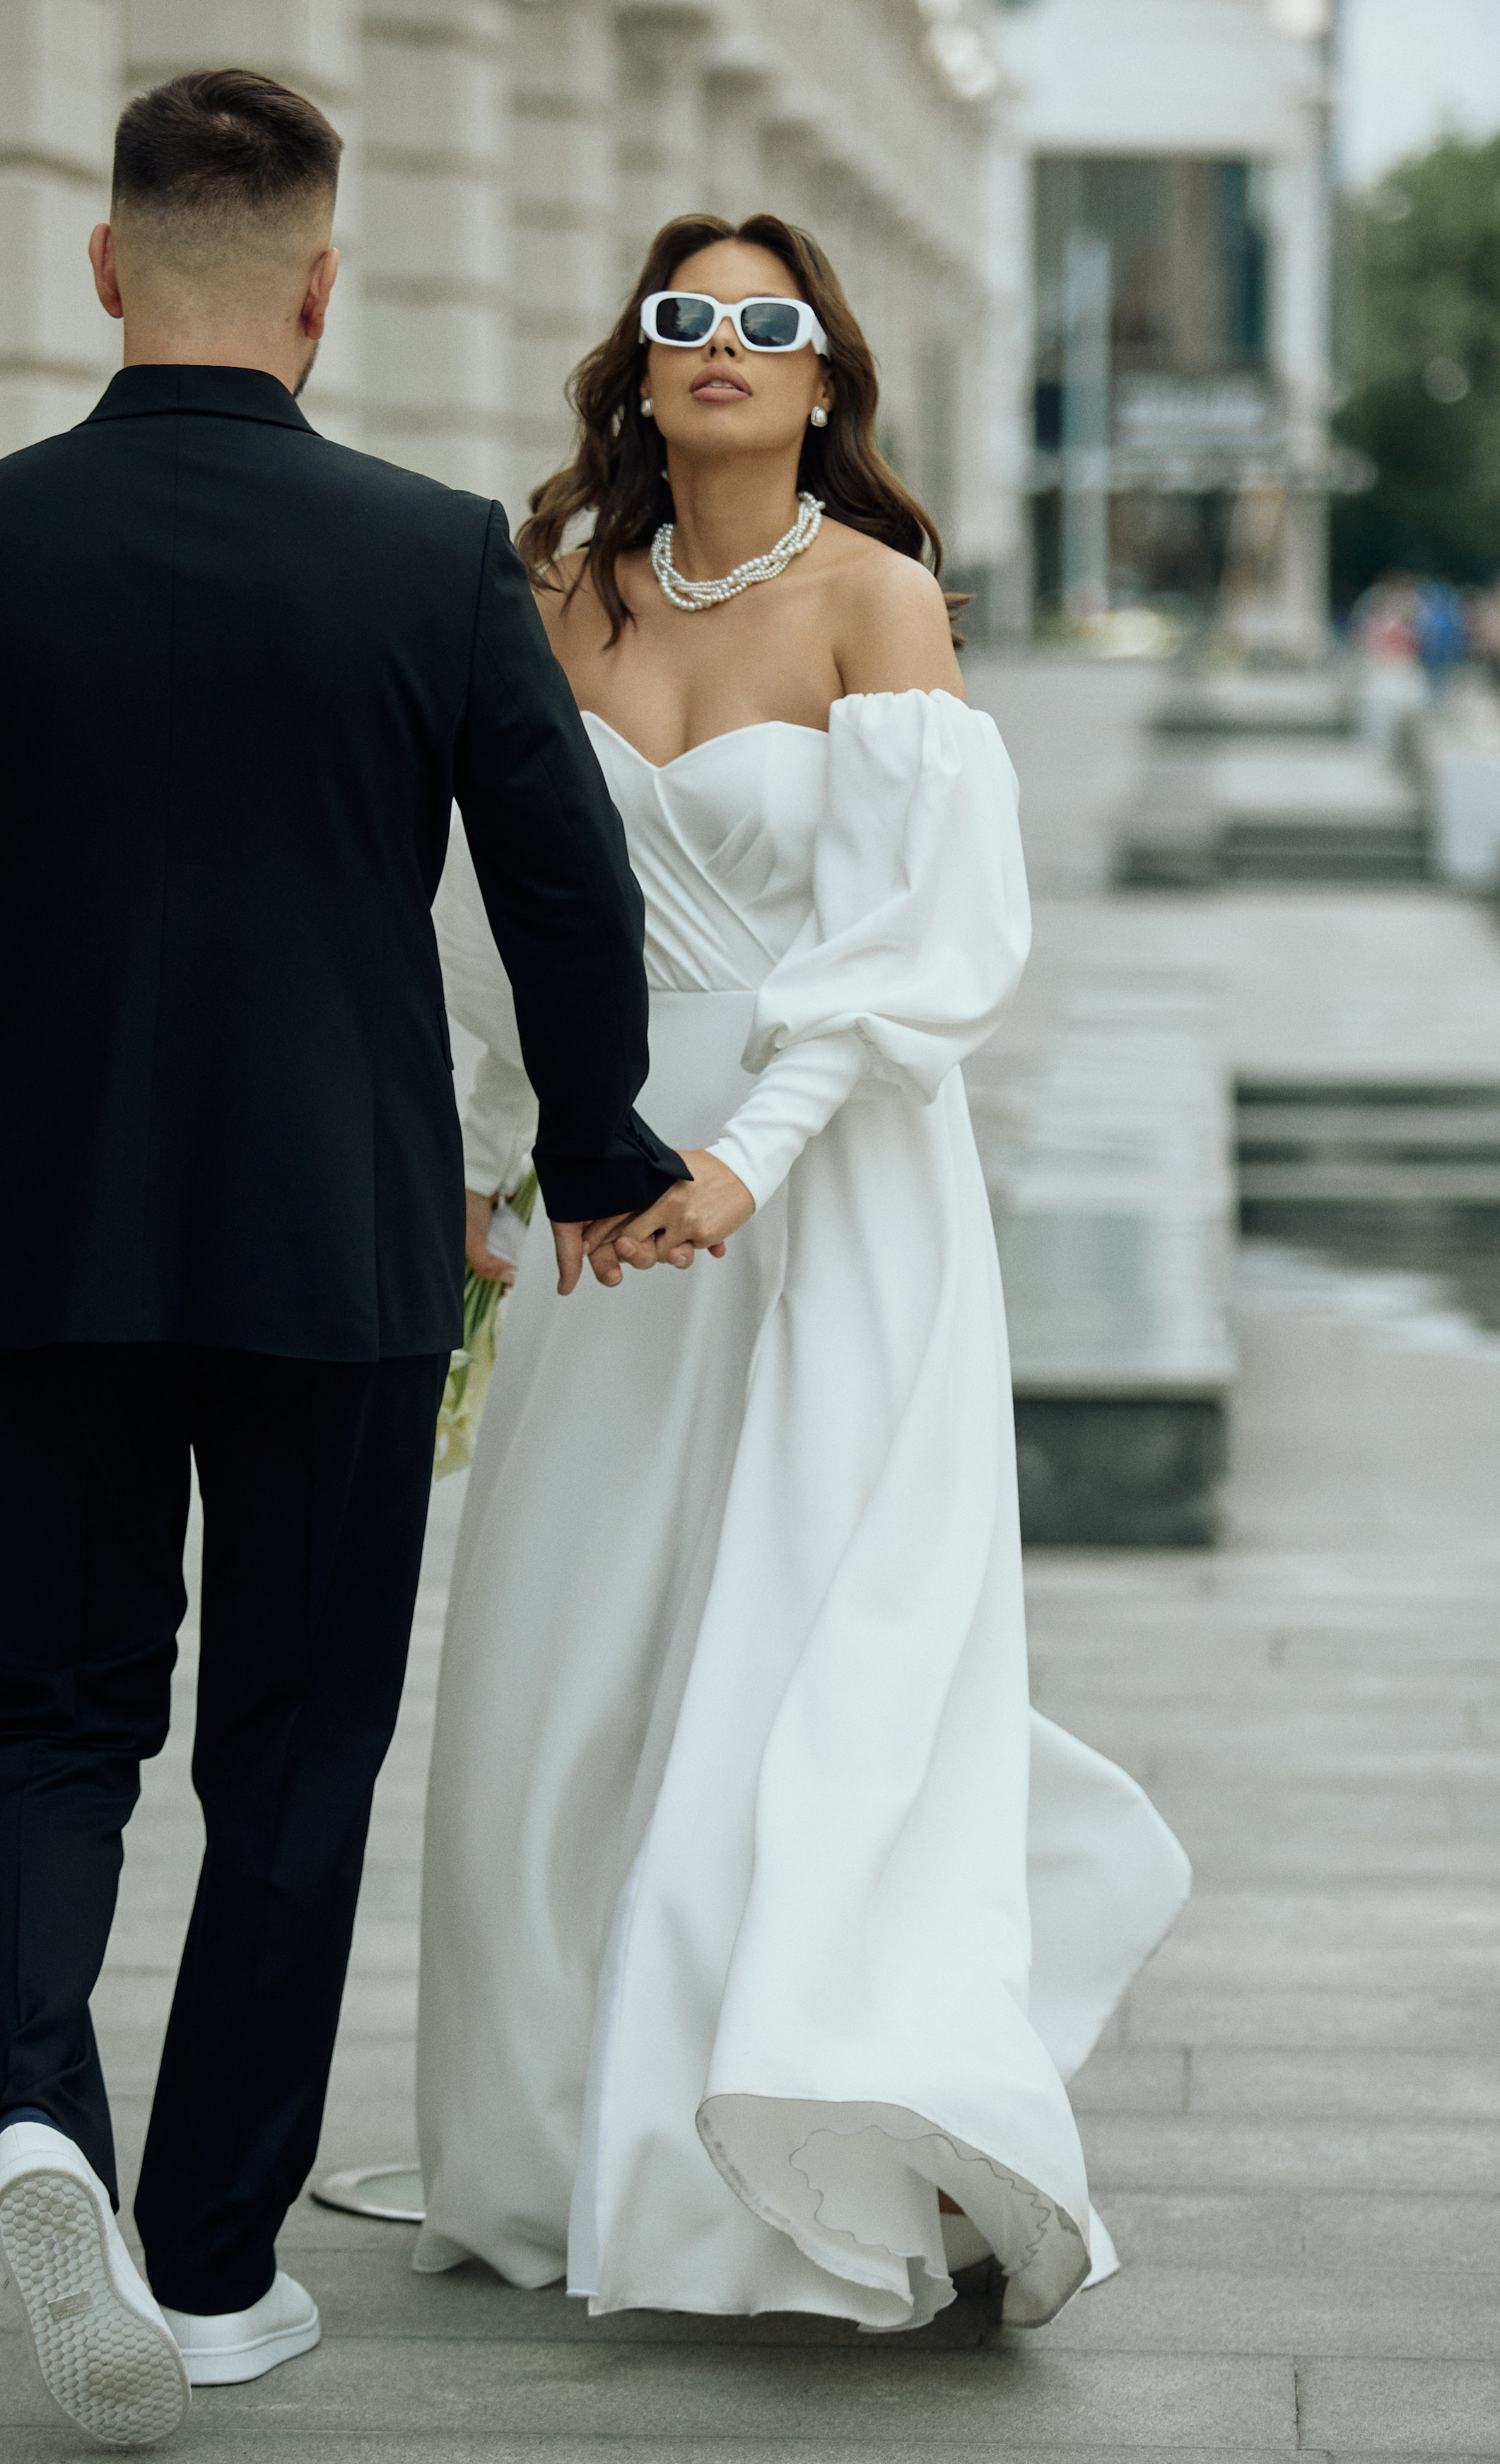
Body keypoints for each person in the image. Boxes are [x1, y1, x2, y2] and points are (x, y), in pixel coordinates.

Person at [0, 68, 684, 2448]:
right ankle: (206, 2271)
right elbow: (566, 890)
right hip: (337, 1243)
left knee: (47, 1717)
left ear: (106, 265)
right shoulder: (428, 557)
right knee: (294, 1756)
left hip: (41, 1237)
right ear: (324, 287)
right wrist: (597, 1149)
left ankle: (34, 2112)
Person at [417, 214, 1192, 2331]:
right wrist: (483, 1165)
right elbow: (495, 919)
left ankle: (762, 2161)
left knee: (792, 1662)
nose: (726, 344)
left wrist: (748, 1161)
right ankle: (545, 2151)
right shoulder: (562, 594)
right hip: (599, 1193)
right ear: (641, 361)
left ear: (825, 374)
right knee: (555, 1663)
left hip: (829, 1183)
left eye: (769, 321)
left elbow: (924, 944)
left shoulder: (878, 596)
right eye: (688, 316)